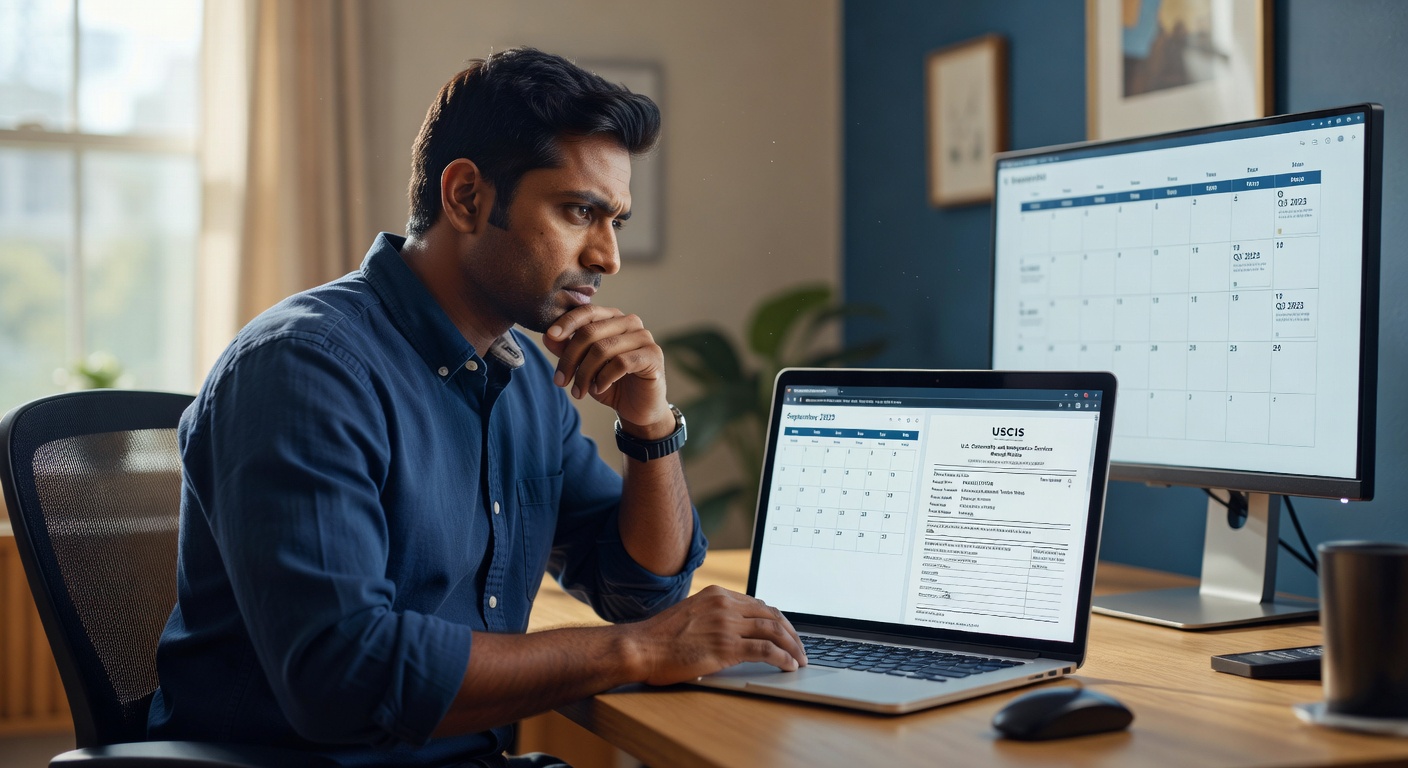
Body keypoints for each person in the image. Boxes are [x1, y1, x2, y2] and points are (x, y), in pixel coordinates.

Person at [148, 48, 807, 766]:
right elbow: (346, 675)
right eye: (579, 211)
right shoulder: (303, 369)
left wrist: (648, 427)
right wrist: (634, 651)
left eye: (613, 219)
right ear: (465, 197)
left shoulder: (520, 383)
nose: (608, 257)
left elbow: (640, 590)